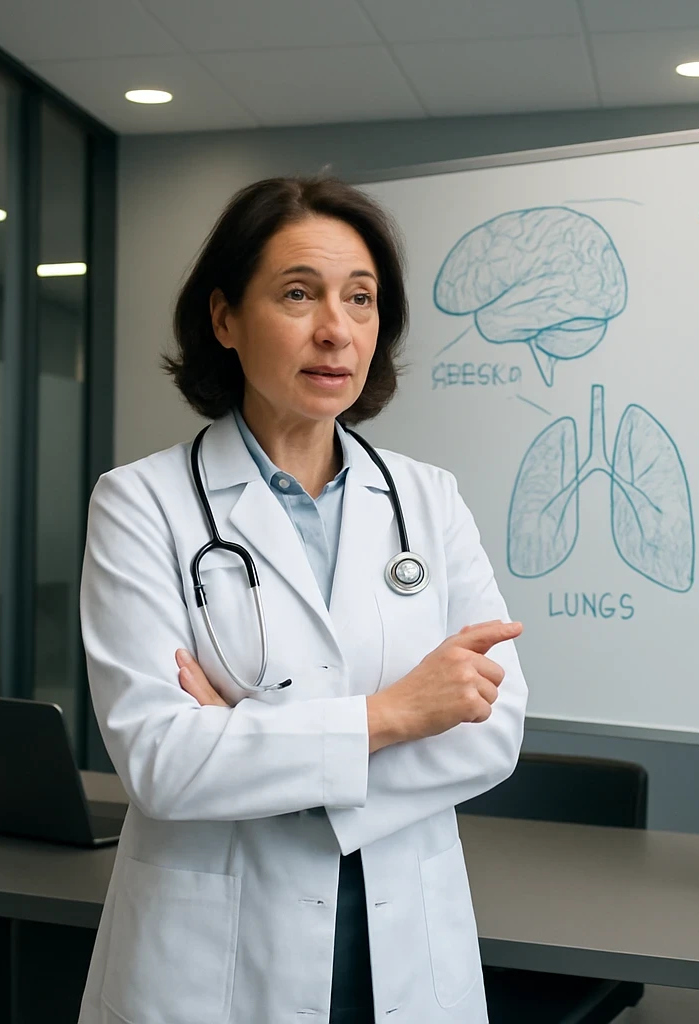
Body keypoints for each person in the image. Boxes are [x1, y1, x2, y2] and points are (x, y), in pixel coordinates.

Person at [76, 175, 528, 1024]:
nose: (336, 329)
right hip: (216, 962)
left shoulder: (429, 501)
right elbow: (164, 765)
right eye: (298, 294)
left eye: (362, 300)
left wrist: (246, 743)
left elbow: (493, 731)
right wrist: (396, 714)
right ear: (224, 319)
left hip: (405, 944)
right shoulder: (142, 504)